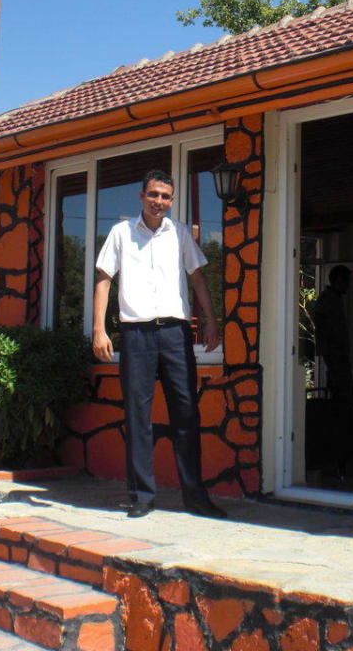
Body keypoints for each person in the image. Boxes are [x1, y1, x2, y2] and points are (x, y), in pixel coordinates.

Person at [92, 169, 226, 519]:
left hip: (175, 335)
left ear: (172, 200)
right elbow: (104, 279)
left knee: (186, 413)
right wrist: (99, 329)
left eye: (165, 196)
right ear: (142, 196)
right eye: (153, 194)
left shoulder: (179, 233)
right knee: (138, 416)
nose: (159, 201)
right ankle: (141, 496)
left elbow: (197, 278)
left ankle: (195, 497)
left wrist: (211, 321)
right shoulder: (121, 233)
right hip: (136, 335)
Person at [313, 265, 353, 468]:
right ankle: (345, 446)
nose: (348, 285)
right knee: (343, 401)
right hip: (335, 360)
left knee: (348, 400)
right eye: (345, 281)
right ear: (337, 281)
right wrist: (331, 352)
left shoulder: (334, 300)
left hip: (339, 358)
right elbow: (322, 327)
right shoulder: (327, 301)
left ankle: (351, 444)